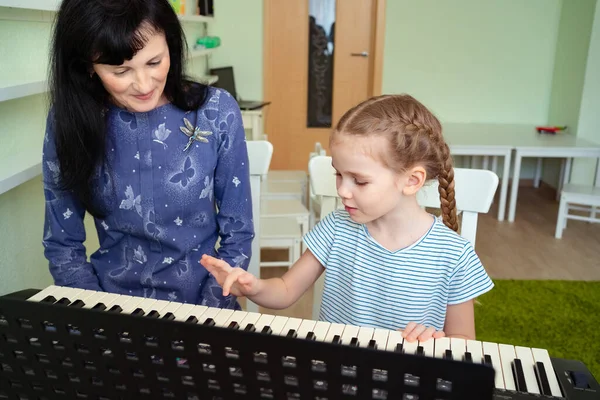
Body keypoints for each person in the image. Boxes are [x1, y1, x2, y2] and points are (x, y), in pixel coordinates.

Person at [201, 94, 494, 341]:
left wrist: (435, 342)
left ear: (412, 181)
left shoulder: (454, 255)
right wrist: (255, 287)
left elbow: (464, 348)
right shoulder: (336, 228)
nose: (342, 189)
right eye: (338, 174)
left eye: (359, 181)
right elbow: (287, 290)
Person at [42, 0, 253, 308]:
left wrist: (205, 316)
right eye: (121, 70)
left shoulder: (216, 112)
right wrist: (101, 319)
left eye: (154, 62)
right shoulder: (69, 121)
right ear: (88, 65)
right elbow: (63, 246)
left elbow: (238, 233)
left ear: (170, 45)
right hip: (108, 311)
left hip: (205, 309)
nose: (143, 84)